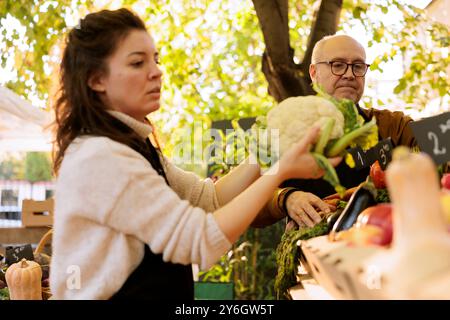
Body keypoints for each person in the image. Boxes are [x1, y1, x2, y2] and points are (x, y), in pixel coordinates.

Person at [49, 8, 341, 300]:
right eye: (138, 62)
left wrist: (268, 151)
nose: (156, 71)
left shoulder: (131, 144)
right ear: (96, 80)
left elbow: (208, 199)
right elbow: (199, 240)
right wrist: (282, 169)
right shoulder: (101, 157)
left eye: (156, 59)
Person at [251, 34, 417, 229]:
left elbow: (439, 151)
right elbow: (249, 204)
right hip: (315, 252)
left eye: (358, 66)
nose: (349, 74)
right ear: (313, 73)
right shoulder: (285, 130)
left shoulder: (392, 125)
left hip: (388, 241)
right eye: (337, 65)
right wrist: (286, 198)